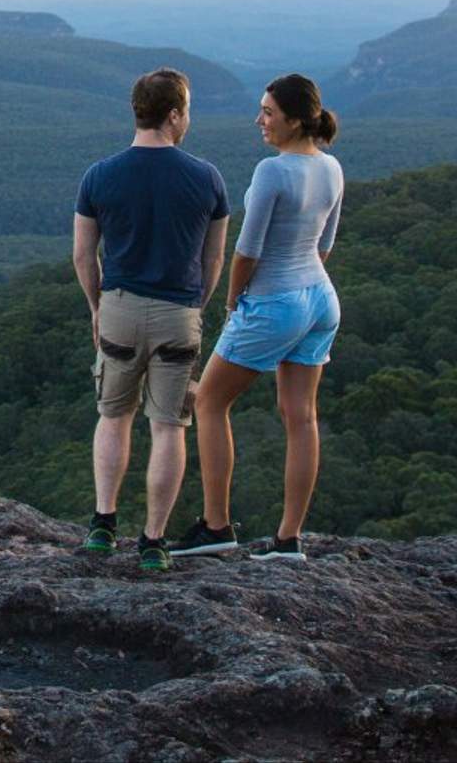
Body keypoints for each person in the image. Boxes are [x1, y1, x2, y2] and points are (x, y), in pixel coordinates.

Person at [176, 72, 343, 561]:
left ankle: (216, 525)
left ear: (295, 120)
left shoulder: (274, 170)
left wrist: (233, 304)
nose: (259, 120)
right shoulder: (332, 167)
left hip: (274, 300)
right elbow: (325, 245)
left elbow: (247, 252)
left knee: (208, 403)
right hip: (320, 299)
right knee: (301, 417)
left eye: (268, 113)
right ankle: (289, 539)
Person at [70, 67, 229, 575]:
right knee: (168, 427)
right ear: (175, 114)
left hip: (117, 306)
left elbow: (81, 254)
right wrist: (195, 306)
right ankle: (154, 542)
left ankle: (102, 524)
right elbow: (215, 258)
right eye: (187, 111)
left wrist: (97, 306)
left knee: (113, 416)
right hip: (178, 313)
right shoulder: (207, 177)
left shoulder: (99, 175)